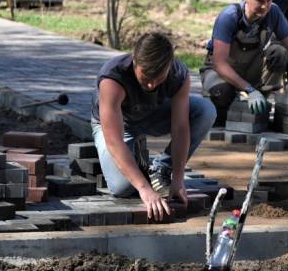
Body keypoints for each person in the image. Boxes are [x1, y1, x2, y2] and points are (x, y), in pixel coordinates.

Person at [92, 33, 216, 221]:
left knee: (205, 110)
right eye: (146, 77)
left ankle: (162, 167)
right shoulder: (113, 78)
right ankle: (132, 156)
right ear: (135, 61)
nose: (151, 84)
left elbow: (180, 129)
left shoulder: (178, 74)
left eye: (158, 78)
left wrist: (178, 179)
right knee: (122, 188)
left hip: (152, 114)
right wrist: (145, 189)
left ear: (169, 66)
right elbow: (114, 141)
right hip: (119, 125)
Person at [201, 0, 288, 124]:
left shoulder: (273, 12)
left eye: (269, 1)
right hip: (220, 71)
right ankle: (225, 105)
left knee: (278, 52)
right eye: (260, 1)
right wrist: (250, 90)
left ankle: (260, 107)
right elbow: (219, 64)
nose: (265, 6)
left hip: (250, 66)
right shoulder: (229, 16)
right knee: (223, 96)